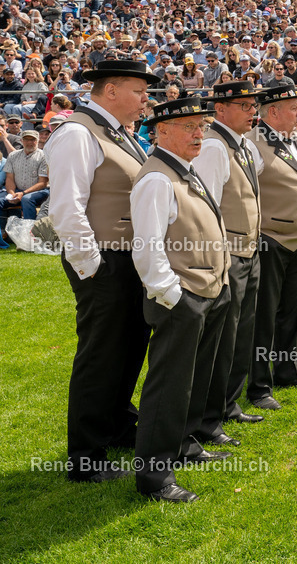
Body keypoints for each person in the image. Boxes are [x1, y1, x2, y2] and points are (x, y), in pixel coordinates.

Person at [46, 59, 154, 483]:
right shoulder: (77, 133)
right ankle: (86, 456)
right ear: (110, 91)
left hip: (127, 257)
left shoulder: (119, 133)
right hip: (105, 259)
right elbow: (67, 207)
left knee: (129, 346)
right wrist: (92, 266)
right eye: (138, 90)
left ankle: (117, 425)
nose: (145, 98)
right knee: (102, 353)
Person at [131, 97, 231, 503]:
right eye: (189, 126)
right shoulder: (157, 178)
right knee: (168, 387)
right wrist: (175, 296)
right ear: (162, 131)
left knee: (193, 381)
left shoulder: (183, 169)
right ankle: (155, 478)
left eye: (202, 125)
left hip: (208, 291)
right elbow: (147, 248)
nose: (199, 134)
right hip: (181, 298)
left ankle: (185, 445)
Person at [191, 81, 265, 438]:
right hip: (229, 255)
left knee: (240, 333)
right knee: (223, 339)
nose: (254, 111)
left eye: (255, 106)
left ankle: (228, 403)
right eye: (246, 106)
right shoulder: (214, 148)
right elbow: (208, 209)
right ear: (220, 109)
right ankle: (209, 417)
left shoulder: (243, 145)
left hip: (249, 251)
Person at [246, 85, 297, 411]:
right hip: (273, 240)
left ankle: (288, 371)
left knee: (293, 311)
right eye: (293, 108)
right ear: (272, 112)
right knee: (265, 316)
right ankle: (259, 386)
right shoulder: (253, 143)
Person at [2, 129, 48, 220]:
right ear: (21, 141)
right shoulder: (13, 155)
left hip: (39, 191)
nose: (29, 142)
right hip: (17, 190)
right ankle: (2, 231)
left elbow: (43, 183)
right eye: (26, 139)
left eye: (33, 140)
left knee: (26, 199)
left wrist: (22, 193)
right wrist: (12, 194)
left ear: (38, 141)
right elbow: (9, 178)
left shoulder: (44, 156)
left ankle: (30, 229)